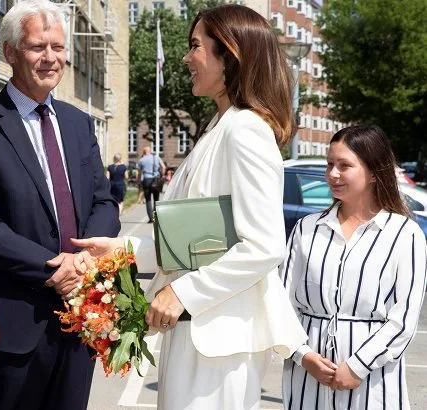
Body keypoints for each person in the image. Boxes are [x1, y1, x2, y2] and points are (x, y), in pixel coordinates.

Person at [71, 5, 307, 409]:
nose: (186, 58)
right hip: (199, 329)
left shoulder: (246, 131)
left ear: (229, 54)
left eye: (196, 46)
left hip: (219, 338)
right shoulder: (221, 126)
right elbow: (197, 239)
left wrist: (184, 293)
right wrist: (123, 250)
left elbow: (264, 247)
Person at [0, 1, 120, 409]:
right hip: (18, 325)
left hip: (83, 319)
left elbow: (104, 202)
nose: (51, 58)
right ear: (10, 52)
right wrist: (54, 269)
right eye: (38, 47)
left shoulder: (78, 123)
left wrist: (79, 264)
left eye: (58, 48)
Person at [280, 125, 427, 409]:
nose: (332, 174)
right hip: (307, 378)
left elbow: (403, 320)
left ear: (374, 172)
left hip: (372, 382)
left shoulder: (404, 234)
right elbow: (282, 305)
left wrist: (357, 366)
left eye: (344, 166)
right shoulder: (306, 229)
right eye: (329, 164)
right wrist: (303, 355)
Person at [138, 145, 165, 223]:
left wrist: (139, 181)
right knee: (156, 199)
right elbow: (163, 167)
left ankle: (151, 218)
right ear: (150, 151)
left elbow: (139, 172)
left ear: (144, 152)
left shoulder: (141, 160)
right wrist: (161, 175)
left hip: (146, 180)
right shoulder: (156, 157)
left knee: (148, 200)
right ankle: (156, 216)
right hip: (156, 180)